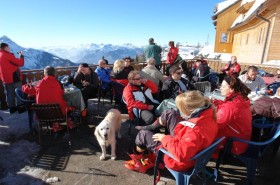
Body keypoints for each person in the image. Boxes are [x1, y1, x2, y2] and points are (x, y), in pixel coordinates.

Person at [150, 91, 218, 172]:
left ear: (189, 110)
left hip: (179, 162)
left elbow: (181, 154)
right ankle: (154, 126)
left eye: (180, 108)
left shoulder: (194, 129)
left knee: (143, 135)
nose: (179, 111)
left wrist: (164, 138)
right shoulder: (209, 115)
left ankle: (140, 158)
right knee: (171, 113)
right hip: (194, 153)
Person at [212, 75, 252, 155]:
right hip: (241, 139)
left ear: (231, 89)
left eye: (223, 87)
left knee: (202, 134)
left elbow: (215, 124)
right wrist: (217, 103)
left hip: (233, 145)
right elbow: (228, 104)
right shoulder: (241, 99)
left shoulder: (231, 107)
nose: (220, 88)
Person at [0, 43, 25, 114]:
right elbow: (20, 63)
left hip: (5, 78)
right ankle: (20, 108)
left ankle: (12, 108)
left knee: (9, 93)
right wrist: (21, 55)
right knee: (18, 92)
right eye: (8, 47)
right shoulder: (8, 55)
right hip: (14, 76)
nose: (9, 48)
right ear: (5, 47)